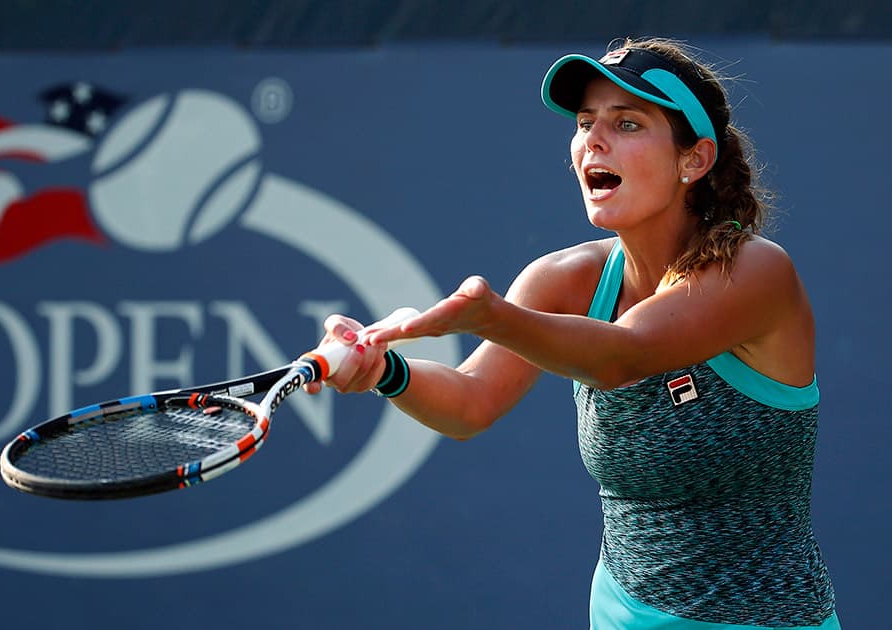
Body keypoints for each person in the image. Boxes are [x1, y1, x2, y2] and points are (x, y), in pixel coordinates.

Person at [305, 37, 840, 629]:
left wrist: (493, 317)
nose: (594, 142)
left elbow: (624, 357)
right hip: (620, 613)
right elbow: (469, 402)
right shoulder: (565, 280)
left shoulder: (756, 272)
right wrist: (385, 370)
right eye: (586, 123)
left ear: (695, 160)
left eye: (628, 123)